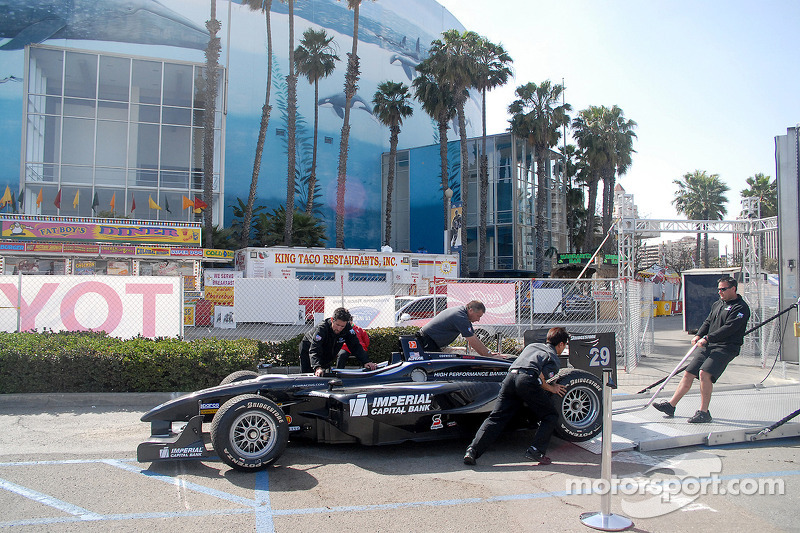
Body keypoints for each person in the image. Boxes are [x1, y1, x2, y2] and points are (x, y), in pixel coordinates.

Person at [463, 327, 569, 466]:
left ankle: (472, 451)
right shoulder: (553, 357)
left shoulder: (532, 346)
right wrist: (552, 388)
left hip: (510, 378)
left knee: (496, 417)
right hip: (527, 380)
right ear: (561, 344)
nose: (564, 348)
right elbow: (540, 378)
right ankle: (536, 451)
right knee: (550, 416)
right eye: (565, 345)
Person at [653, 276, 750, 423]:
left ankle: (704, 412)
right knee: (688, 373)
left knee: (704, 374)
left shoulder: (740, 308)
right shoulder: (718, 304)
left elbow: (729, 328)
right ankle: (671, 405)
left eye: (723, 289)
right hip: (709, 345)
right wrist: (699, 335)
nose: (720, 292)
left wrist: (708, 338)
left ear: (733, 289)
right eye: (719, 289)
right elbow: (709, 321)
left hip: (726, 347)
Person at [299, 307, 377, 376]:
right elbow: (315, 349)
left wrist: (366, 361)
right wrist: (317, 367)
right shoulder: (322, 328)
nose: (339, 329)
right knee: (309, 375)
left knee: (324, 374)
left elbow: (355, 345)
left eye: (342, 326)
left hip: (327, 350)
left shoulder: (347, 328)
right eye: (337, 325)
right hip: (308, 348)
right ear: (332, 320)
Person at [416, 300, 495, 357]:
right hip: (426, 341)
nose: (478, 320)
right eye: (478, 316)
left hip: (431, 342)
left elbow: (473, 338)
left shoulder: (463, 314)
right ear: (471, 310)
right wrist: (489, 356)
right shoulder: (460, 316)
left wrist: (488, 352)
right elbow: (473, 341)